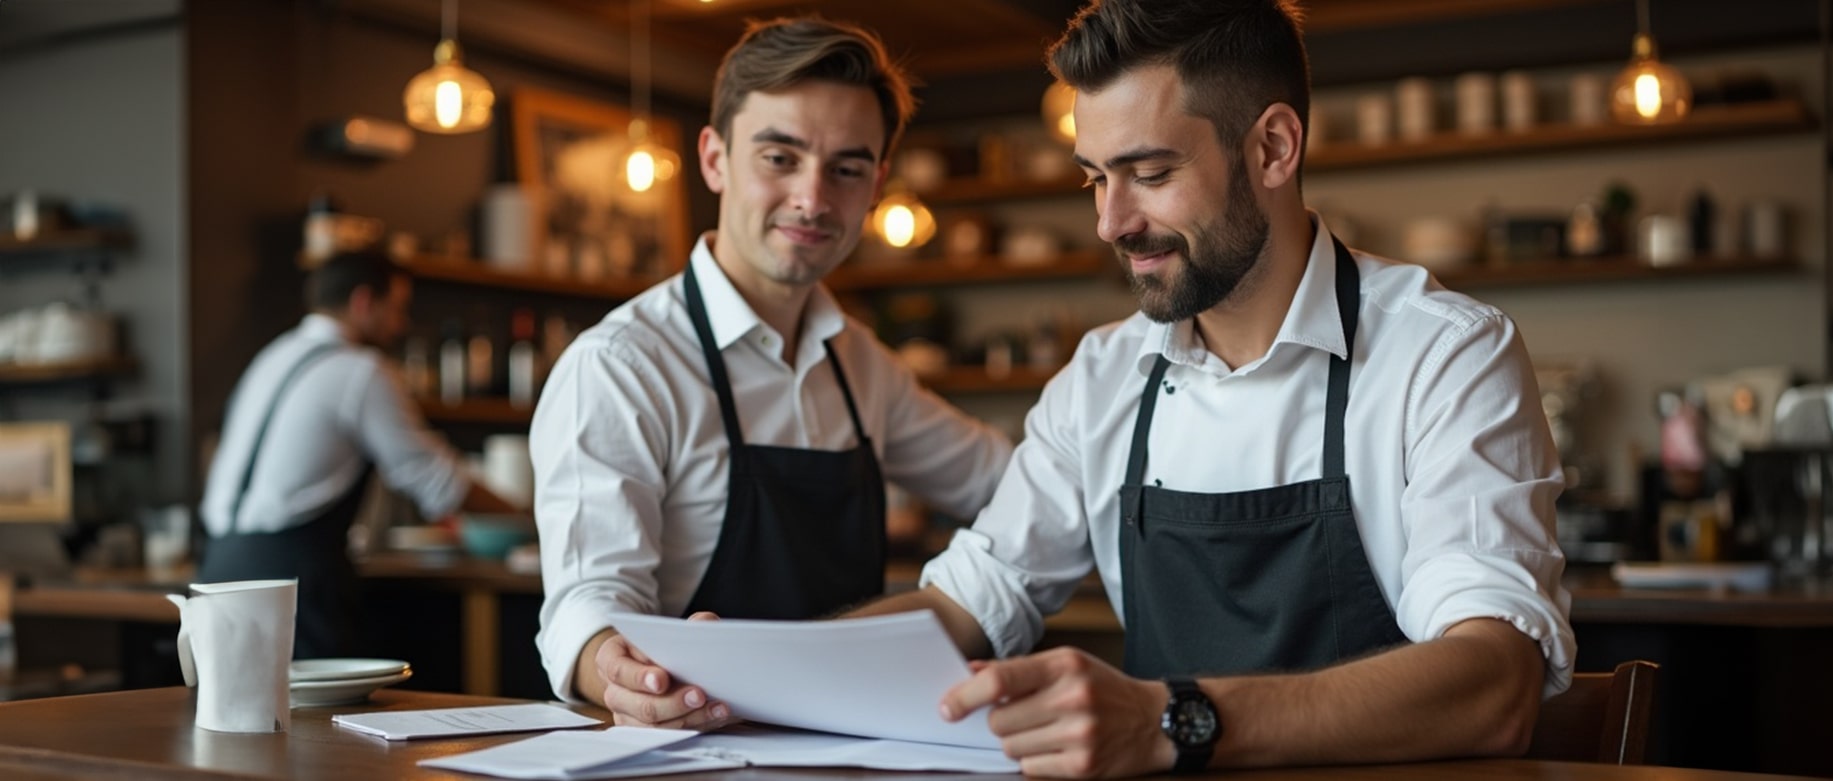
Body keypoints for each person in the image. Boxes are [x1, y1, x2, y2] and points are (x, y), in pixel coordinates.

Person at [647, 0, 1574, 776]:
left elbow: (1493, 684)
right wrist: (745, 672)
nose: (1111, 222)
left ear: (1275, 147)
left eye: (1152, 173)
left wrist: (1171, 719)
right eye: (1096, 178)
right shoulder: (1103, 377)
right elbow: (973, 598)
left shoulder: (1446, 355)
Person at [531, 16, 1015, 721]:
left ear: (877, 182)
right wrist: (617, 672)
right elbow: (588, 603)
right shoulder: (622, 364)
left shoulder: (860, 362)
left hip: (847, 746)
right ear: (715, 158)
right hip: (690, 747)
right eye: (779, 158)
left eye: (846, 169)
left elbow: (1006, 480)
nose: (813, 200)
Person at [199, 250, 521, 660]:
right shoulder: (361, 370)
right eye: (397, 309)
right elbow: (440, 482)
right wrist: (527, 520)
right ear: (363, 302)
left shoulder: (270, 357)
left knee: (228, 720)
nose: (400, 324)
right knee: (316, 724)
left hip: (216, 570)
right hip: (291, 586)